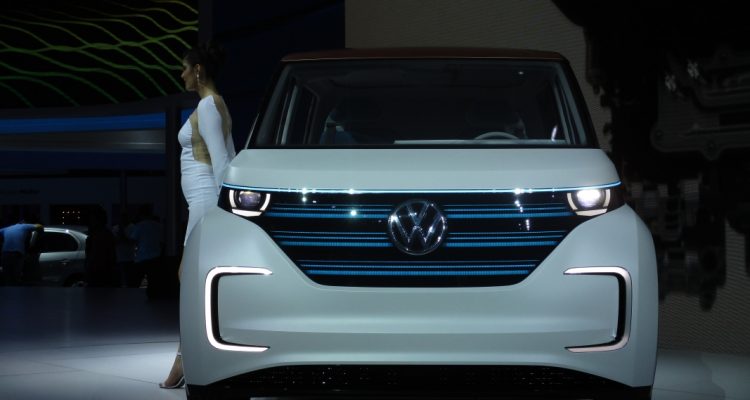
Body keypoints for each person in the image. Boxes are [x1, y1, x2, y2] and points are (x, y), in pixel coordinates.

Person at [160, 40, 235, 389]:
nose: (182, 74)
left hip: (205, 200)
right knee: (193, 279)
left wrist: (226, 209)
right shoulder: (216, 104)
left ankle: (184, 357)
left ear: (198, 70)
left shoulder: (207, 106)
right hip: (202, 200)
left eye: (185, 68)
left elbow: (222, 160)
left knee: (189, 278)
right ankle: (194, 352)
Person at [125, 205, 164, 297]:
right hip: (156, 257)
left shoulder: (139, 226)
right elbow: (162, 242)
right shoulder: (158, 226)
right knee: (153, 282)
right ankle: (153, 298)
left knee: (134, 282)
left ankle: (131, 298)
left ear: (140, 214)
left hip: (142, 257)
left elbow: (132, 240)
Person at [0, 220, 43, 286]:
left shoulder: (7, 228)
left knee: (7, 276)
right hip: (17, 253)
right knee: (16, 276)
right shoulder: (24, 226)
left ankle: (8, 290)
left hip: (5, 253)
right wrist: (41, 231)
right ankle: (16, 290)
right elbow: (39, 226)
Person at [84, 206, 117, 287]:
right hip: (102, 271)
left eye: (92, 219)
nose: (90, 221)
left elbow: (90, 253)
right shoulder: (106, 234)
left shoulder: (97, 234)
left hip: (99, 271)